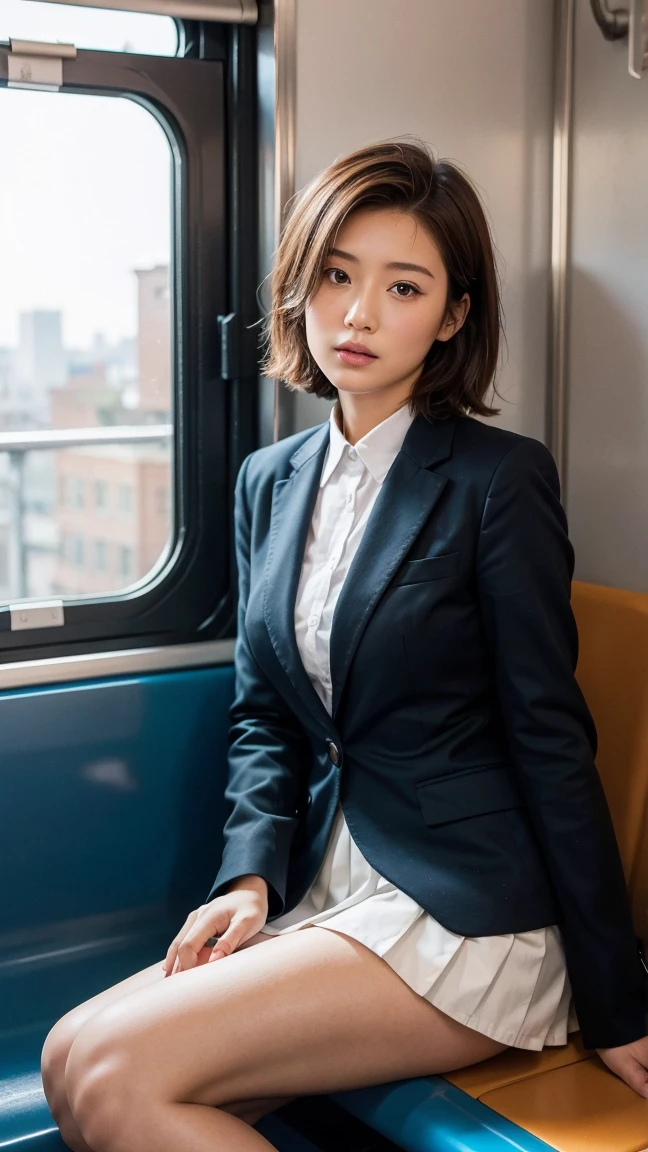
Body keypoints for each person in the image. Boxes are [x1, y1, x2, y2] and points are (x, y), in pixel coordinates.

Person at [41, 138, 648, 1152]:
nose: (359, 314)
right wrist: (248, 878)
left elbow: (550, 737)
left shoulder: (499, 480)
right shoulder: (268, 480)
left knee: (115, 1073)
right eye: (336, 275)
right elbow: (265, 713)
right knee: (69, 1055)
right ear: (302, 284)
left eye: (403, 287)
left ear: (452, 316)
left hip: (467, 908)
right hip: (323, 886)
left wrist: (618, 999)